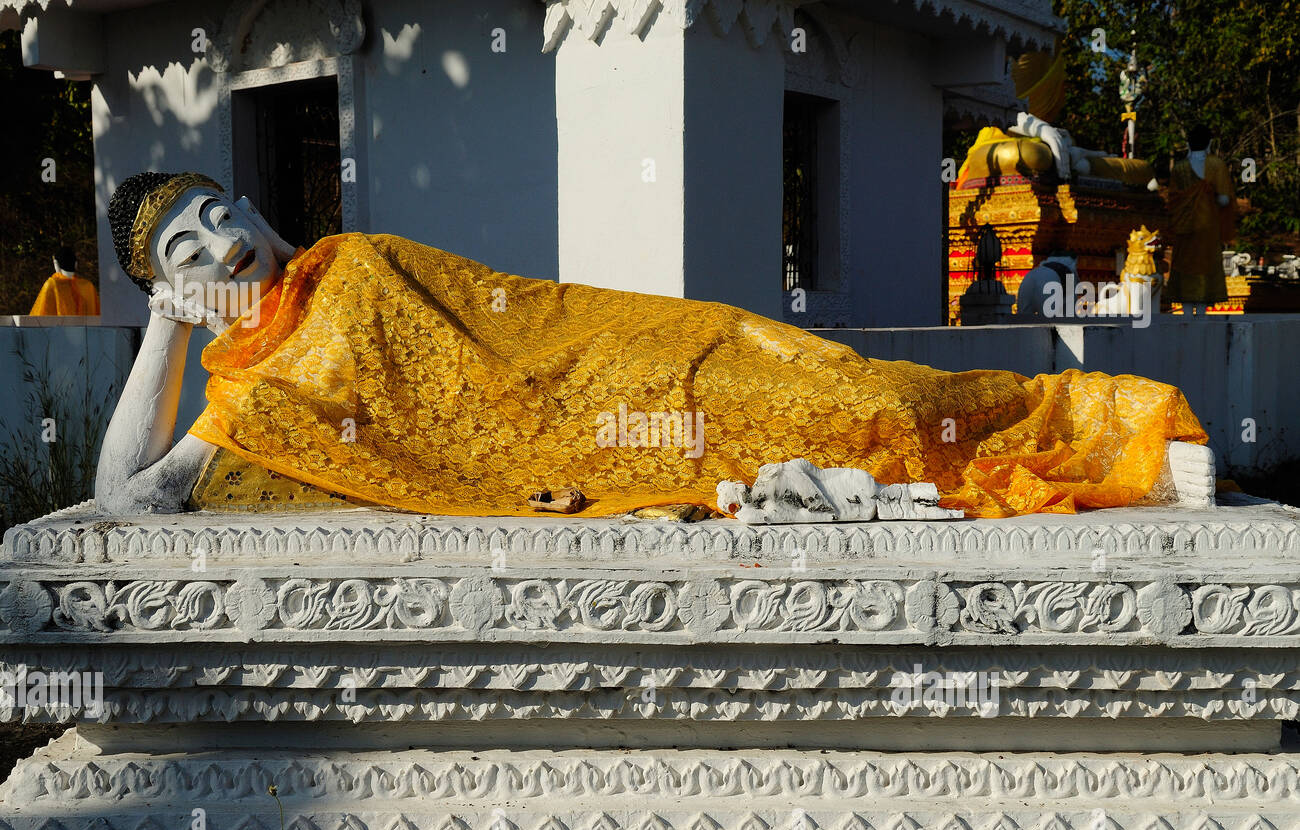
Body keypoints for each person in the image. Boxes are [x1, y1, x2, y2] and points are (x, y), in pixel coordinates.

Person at [96, 170, 1210, 519]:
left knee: (860, 391)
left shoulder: (359, 259)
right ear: (176, 289)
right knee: (850, 432)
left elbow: (527, 312)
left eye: (214, 215)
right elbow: (122, 498)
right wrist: (159, 337)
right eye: (183, 254)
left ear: (247, 207)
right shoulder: (245, 400)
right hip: (591, 458)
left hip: (623, 361)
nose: (217, 247)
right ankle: (1103, 440)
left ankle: (1110, 422)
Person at [1166, 124, 1235, 316]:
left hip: (1184, 227)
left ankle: (1186, 313)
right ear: (1209, 143)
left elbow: (1173, 200)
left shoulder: (1180, 168)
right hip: (1207, 226)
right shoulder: (1216, 165)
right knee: (1205, 266)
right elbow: (1224, 199)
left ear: (1188, 144)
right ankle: (1202, 313)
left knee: (1185, 266)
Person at [30, 246, 100, 316]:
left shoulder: (53, 284)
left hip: (61, 327)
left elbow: (40, 317)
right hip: (87, 327)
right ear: (76, 264)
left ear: (56, 264)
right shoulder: (88, 286)